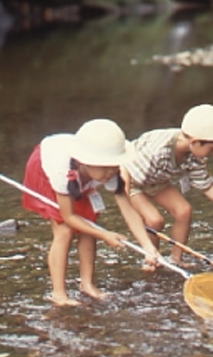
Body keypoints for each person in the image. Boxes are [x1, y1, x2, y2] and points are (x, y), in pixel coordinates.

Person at [21, 119, 161, 306]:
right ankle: (59, 293)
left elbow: (128, 209)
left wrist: (147, 247)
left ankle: (87, 284)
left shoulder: (110, 172)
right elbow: (69, 217)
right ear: (84, 162)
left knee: (90, 224)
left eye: (114, 166)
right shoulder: (62, 172)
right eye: (105, 166)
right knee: (64, 231)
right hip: (44, 168)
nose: (111, 172)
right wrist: (105, 235)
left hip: (77, 173)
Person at [122, 104, 213, 265]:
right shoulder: (157, 150)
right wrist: (128, 209)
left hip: (156, 180)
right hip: (133, 181)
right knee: (155, 221)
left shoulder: (196, 156)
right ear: (196, 142)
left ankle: (176, 259)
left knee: (184, 211)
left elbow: (206, 185)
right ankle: (151, 259)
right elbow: (124, 173)